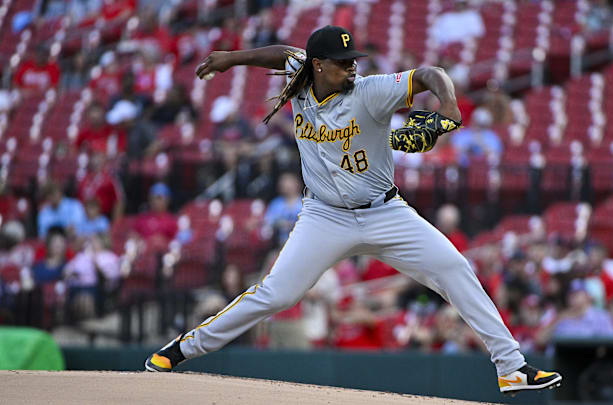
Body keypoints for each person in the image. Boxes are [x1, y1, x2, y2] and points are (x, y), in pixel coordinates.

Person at [145, 26, 561, 394]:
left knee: (454, 267)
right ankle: (181, 349)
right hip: (324, 216)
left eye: (353, 61)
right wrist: (231, 59)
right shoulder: (300, 74)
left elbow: (431, 74)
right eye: (343, 63)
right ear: (319, 66)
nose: (352, 68)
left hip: (385, 213)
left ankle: (512, 368)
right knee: (276, 294)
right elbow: (279, 53)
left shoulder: (370, 90)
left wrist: (448, 106)